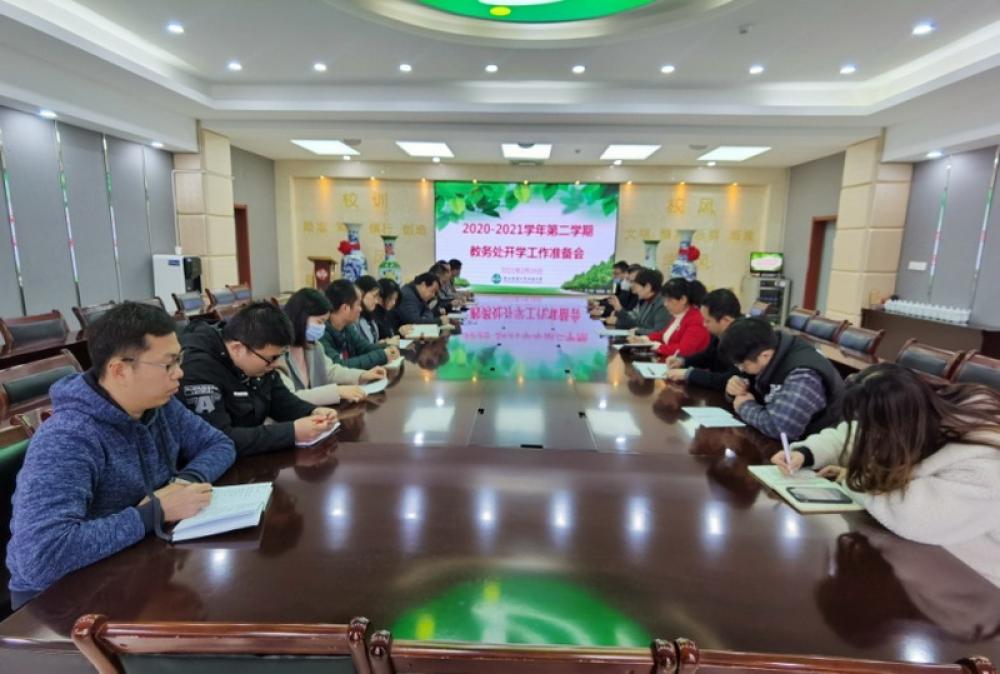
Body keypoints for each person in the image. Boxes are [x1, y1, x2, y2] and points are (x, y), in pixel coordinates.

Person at [7, 302, 235, 605]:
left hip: (131, 561)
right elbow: (41, 559)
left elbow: (219, 444)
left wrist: (183, 484)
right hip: (59, 598)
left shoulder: (160, 406)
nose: (179, 373)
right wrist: (156, 512)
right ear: (119, 370)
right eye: (168, 365)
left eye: (179, 360)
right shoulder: (68, 437)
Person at [772, 364, 1000, 587]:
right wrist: (806, 453)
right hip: (921, 560)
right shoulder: (916, 411)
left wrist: (856, 478)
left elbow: (916, 516)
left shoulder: (987, 462)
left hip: (973, 582)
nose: (871, 434)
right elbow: (858, 435)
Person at [180, 301, 339, 455]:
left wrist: (312, 411)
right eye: (272, 358)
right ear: (237, 348)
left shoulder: (261, 360)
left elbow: (281, 400)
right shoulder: (198, 370)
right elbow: (218, 438)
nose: (276, 365)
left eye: (279, 356)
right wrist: (292, 432)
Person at [719, 316, 843, 441]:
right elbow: (751, 391)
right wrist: (735, 389)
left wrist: (744, 406)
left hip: (812, 446)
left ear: (764, 355)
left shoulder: (804, 376)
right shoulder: (767, 351)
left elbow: (781, 429)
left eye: (742, 365)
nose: (741, 370)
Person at [276, 288, 386, 406]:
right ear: (301, 318)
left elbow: (330, 371)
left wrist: (362, 375)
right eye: (319, 322)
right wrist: (337, 391)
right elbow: (290, 397)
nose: (322, 327)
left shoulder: (314, 346)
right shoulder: (277, 353)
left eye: (324, 322)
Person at [665, 288, 742, 390]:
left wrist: (689, 374)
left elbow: (729, 379)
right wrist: (682, 361)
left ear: (726, 320)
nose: (704, 325)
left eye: (708, 321)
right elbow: (707, 356)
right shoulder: (720, 333)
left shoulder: (743, 339)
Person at [319, 280, 400, 369]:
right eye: (358, 304)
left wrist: (387, 348)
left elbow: (364, 348)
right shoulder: (321, 333)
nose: (360, 309)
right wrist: (382, 355)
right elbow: (339, 366)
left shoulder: (347, 327)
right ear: (345, 308)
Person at [628, 277, 709, 357]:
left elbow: (683, 350)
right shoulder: (678, 315)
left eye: (669, 300)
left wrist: (655, 346)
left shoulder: (696, 319)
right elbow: (664, 335)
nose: (665, 304)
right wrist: (644, 339)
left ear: (683, 300)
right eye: (665, 300)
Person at [612, 268, 670, 335]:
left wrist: (637, 331)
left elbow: (659, 332)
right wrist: (619, 310)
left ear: (647, 287)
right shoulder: (646, 300)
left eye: (636, 286)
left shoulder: (663, 304)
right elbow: (637, 323)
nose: (635, 291)